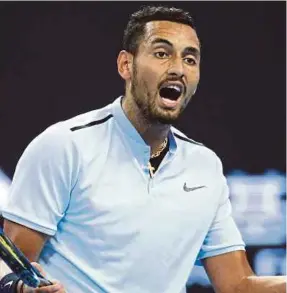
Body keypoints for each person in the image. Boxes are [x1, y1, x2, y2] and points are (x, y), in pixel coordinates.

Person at [0, 5, 285, 293]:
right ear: (126, 65)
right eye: (162, 54)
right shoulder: (64, 146)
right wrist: (21, 288)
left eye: (190, 59)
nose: (178, 69)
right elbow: (11, 271)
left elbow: (237, 286)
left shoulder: (205, 166)